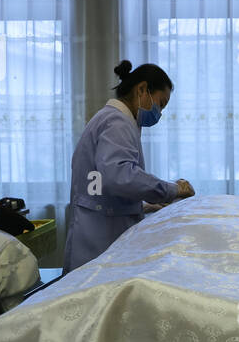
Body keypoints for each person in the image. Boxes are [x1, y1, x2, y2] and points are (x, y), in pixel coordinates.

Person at [62, 60, 194, 273]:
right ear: (142, 89)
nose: (159, 113)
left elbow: (98, 185)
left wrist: (143, 206)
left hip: (97, 227)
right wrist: (172, 189)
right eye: (160, 104)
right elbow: (120, 176)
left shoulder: (112, 120)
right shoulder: (117, 122)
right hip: (100, 238)